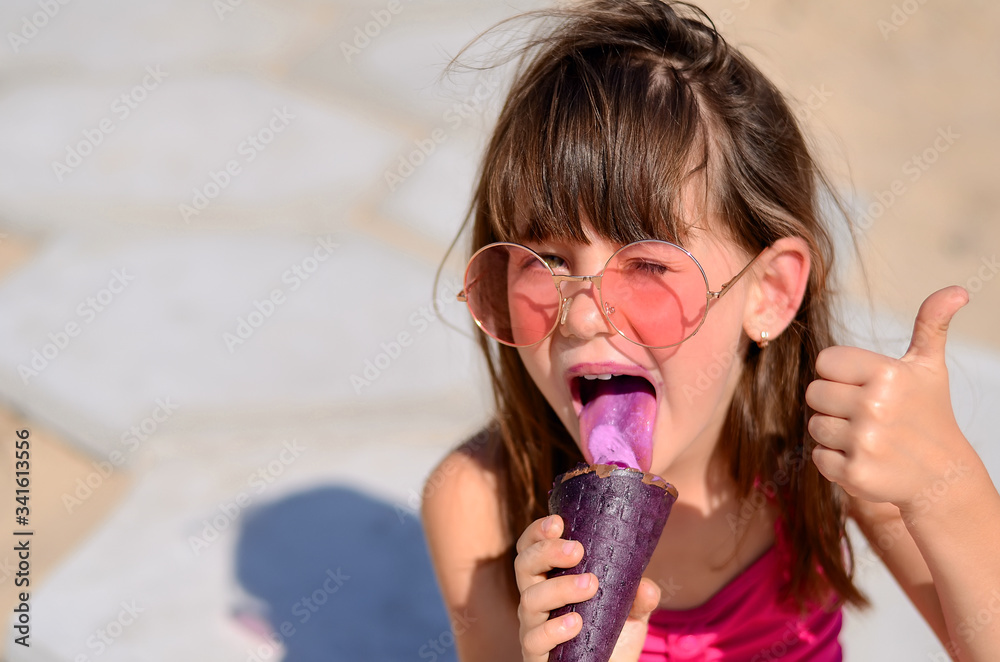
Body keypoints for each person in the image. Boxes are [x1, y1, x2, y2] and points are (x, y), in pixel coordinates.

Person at [420, 1, 1000, 660]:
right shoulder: (479, 506)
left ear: (770, 293)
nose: (580, 314)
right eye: (545, 259)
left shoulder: (826, 453)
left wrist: (947, 487)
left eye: (645, 264)